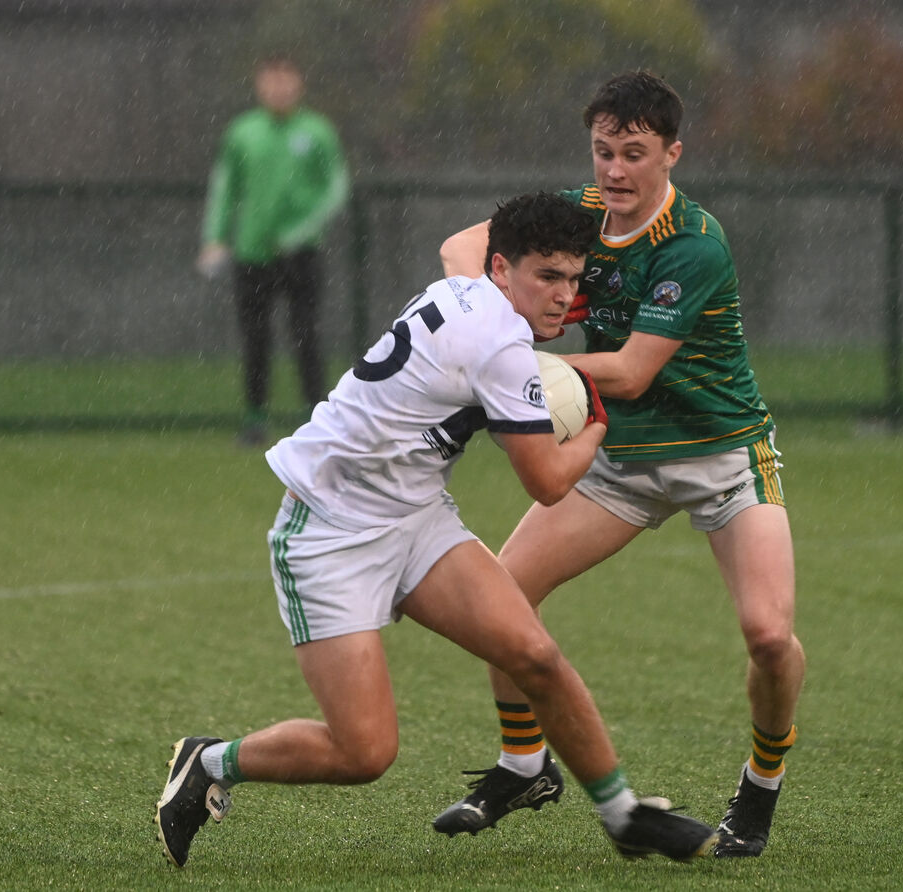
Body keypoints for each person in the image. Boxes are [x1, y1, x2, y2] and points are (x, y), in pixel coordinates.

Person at [155, 192, 718, 869]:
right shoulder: (500, 346)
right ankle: (210, 761)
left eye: (574, 279)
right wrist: (594, 422)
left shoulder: (468, 288)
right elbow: (546, 483)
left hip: (414, 516)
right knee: (364, 753)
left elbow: (461, 249)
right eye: (548, 278)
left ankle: (624, 815)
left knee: (533, 654)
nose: (562, 298)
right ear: (504, 269)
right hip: (329, 532)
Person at [433, 72, 806, 859]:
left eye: (634, 154)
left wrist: (523, 363)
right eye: (604, 152)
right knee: (503, 599)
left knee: (768, 636)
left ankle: (761, 784)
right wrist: (499, 319)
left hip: (722, 458)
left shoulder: (693, 243)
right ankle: (522, 764)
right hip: (620, 462)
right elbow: (462, 249)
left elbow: (634, 371)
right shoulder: (584, 214)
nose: (615, 171)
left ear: (672, 153)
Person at [197, 54, 349, 446]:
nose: (279, 89)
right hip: (253, 254)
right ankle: (254, 419)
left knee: (305, 334)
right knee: (255, 337)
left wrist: (299, 232)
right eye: (271, 81)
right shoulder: (242, 132)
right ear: (259, 85)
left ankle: (316, 422)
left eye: (286, 80)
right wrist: (215, 237)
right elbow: (225, 188)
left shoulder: (317, 131)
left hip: (301, 256)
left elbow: (334, 189)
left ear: (298, 84)